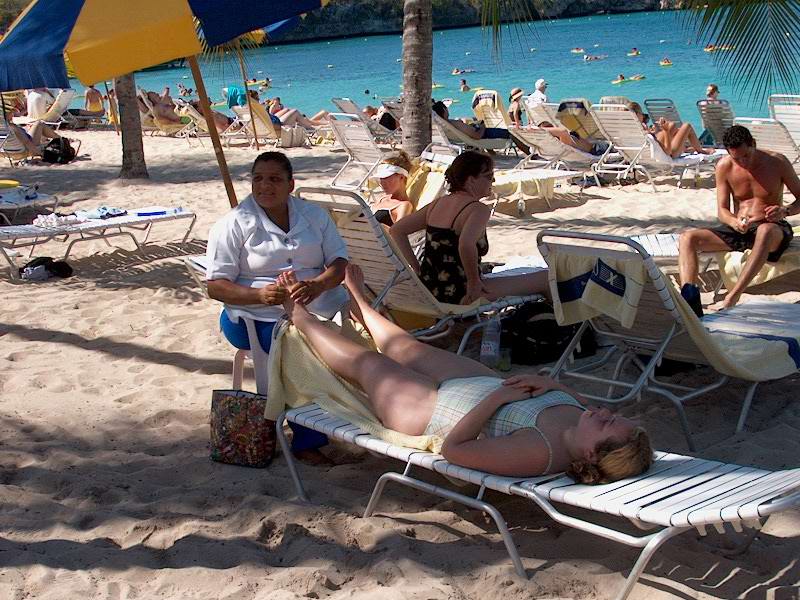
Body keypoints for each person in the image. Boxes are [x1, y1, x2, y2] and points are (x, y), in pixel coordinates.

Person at [277, 265, 653, 482]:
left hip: (433, 412)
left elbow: (454, 451)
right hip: (480, 386)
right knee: (407, 347)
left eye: (607, 423)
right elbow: (581, 403)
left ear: (589, 453)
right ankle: (361, 304)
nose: (605, 412)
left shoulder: (539, 453)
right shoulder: (583, 423)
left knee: (370, 364)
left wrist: (497, 398)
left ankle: (300, 317)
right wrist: (550, 383)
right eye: (614, 415)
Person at [205, 152, 350, 464]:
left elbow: (339, 264)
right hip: (251, 317)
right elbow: (215, 286)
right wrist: (259, 295)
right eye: (258, 178)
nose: (265, 186)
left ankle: (351, 418)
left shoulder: (313, 216)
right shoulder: (234, 223)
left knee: (358, 340)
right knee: (296, 346)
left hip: (317, 308)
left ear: (290, 185)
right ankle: (307, 439)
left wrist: (317, 285)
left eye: (274, 179)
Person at [390, 151, 550, 304]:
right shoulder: (477, 209)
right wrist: (474, 282)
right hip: (462, 292)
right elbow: (466, 245)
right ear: (471, 179)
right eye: (488, 176)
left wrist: (417, 269)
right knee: (546, 278)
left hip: (430, 289)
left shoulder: (437, 204)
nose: (493, 181)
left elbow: (397, 230)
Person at [679, 125, 800, 311]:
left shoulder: (777, 162)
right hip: (740, 229)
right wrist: (734, 222)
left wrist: (784, 211)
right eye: (737, 158)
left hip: (772, 227)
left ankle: (733, 296)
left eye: (746, 155)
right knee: (687, 238)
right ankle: (690, 304)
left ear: (753, 144)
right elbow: (722, 210)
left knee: (765, 230)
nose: (743, 162)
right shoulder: (724, 166)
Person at [628, 101, 712, 158]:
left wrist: (652, 132)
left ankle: (686, 149)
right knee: (687, 126)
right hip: (668, 154)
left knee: (672, 126)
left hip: (652, 153)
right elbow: (667, 152)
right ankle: (700, 151)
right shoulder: (642, 130)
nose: (643, 116)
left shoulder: (631, 131)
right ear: (636, 114)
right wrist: (666, 130)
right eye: (641, 113)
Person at [370, 151, 415, 226]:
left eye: (386, 178)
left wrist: (379, 226)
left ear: (401, 177)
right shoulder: (383, 198)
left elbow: (398, 231)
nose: (382, 183)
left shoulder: (404, 205)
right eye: (381, 178)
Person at [536, 120, 610, 156]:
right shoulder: (564, 142)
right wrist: (540, 130)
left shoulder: (553, 145)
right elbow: (563, 131)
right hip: (599, 150)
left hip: (597, 146)